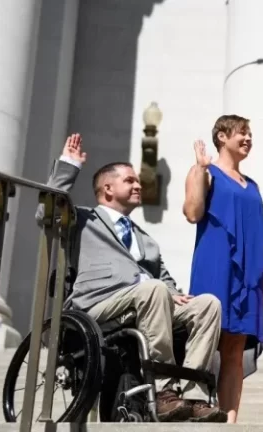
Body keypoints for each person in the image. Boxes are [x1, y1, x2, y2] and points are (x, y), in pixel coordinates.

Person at [39, 134, 224, 422]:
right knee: (153, 290)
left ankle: (194, 395)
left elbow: (164, 278)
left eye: (137, 181)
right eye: (130, 181)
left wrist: (174, 292)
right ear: (107, 188)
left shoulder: (146, 240)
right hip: (98, 305)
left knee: (208, 304)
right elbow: (45, 213)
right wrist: (68, 166)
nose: (139, 185)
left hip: (146, 303)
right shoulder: (84, 219)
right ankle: (164, 392)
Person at [183, 115, 263, 424]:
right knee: (208, 339)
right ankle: (194, 406)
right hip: (215, 265)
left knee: (235, 347)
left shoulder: (253, 185)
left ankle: (228, 420)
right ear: (222, 136)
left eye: (250, 134)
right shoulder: (207, 173)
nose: (248, 139)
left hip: (248, 274)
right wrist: (199, 169)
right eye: (241, 133)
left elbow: (258, 234)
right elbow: (192, 213)